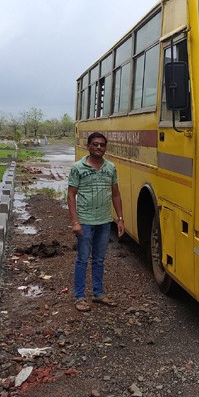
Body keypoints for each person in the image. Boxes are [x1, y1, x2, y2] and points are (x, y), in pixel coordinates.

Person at [67, 132, 125, 312]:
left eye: (102, 145)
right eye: (95, 144)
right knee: (82, 259)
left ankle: (98, 293)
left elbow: (115, 194)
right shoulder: (78, 168)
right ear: (88, 146)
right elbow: (71, 195)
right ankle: (79, 297)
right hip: (85, 221)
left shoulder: (110, 168)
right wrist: (75, 222)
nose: (98, 147)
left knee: (99, 259)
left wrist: (120, 219)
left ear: (105, 147)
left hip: (105, 221)